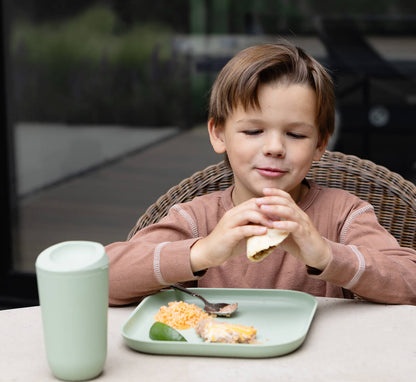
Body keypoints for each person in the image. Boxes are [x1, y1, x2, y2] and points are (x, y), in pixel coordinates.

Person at [106, 42, 416, 306]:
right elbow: (98, 277)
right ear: (218, 134)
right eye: (254, 130)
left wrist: (326, 255)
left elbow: (409, 279)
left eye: (295, 135)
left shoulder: (344, 214)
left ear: (320, 143)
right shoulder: (195, 219)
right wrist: (202, 253)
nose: (275, 148)